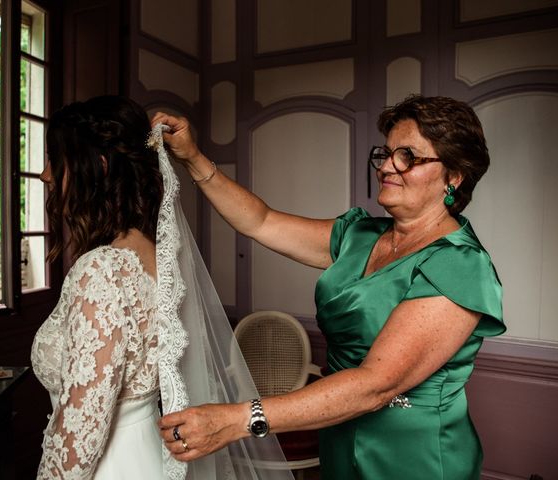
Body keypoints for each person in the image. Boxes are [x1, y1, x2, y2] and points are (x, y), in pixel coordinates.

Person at [153, 94, 506, 479]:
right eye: (385, 154)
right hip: (339, 432)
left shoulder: (459, 263)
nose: (387, 166)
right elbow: (261, 221)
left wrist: (239, 419)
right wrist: (192, 158)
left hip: (411, 454)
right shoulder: (358, 235)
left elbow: (376, 384)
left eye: (408, 156)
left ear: (453, 177)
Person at [31, 95, 294, 479]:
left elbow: (80, 435)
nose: (46, 175)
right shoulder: (160, 261)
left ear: (99, 166)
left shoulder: (101, 270)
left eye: (56, 158)